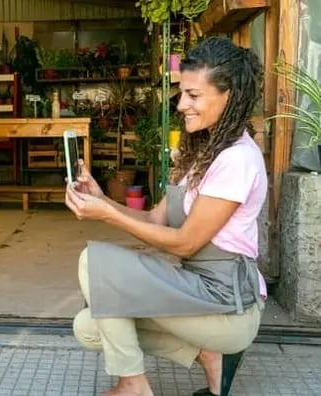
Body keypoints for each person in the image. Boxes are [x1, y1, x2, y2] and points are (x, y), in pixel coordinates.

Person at [65, 36, 267, 396]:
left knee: (93, 263)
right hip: (195, 291)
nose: (181, 105)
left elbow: (187, 243)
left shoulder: (236, 159)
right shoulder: (205, 150)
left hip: (225, 304)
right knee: (88, 326)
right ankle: (208, 355)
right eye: (182, 93)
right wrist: (103, 201)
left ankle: (133, 386)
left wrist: (108, 218)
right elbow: (158, 220)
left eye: (193, 95)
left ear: (229, 96)